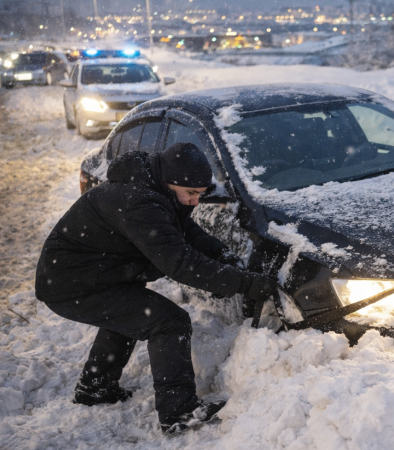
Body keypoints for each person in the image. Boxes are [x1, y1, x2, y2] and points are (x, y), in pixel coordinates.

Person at [35, 143, 277, 435]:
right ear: (168, 182)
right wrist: (245, 283)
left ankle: (96, 387)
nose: (194, 202)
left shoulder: (153, 190)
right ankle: (178, 411)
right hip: (72, 284)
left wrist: (223, 256)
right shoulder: (140, 203)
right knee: (168, 322)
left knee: (130, 317)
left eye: (200, 195)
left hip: (95, 276)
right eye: (190, 194)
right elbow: (181, 263)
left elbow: (186, 232)